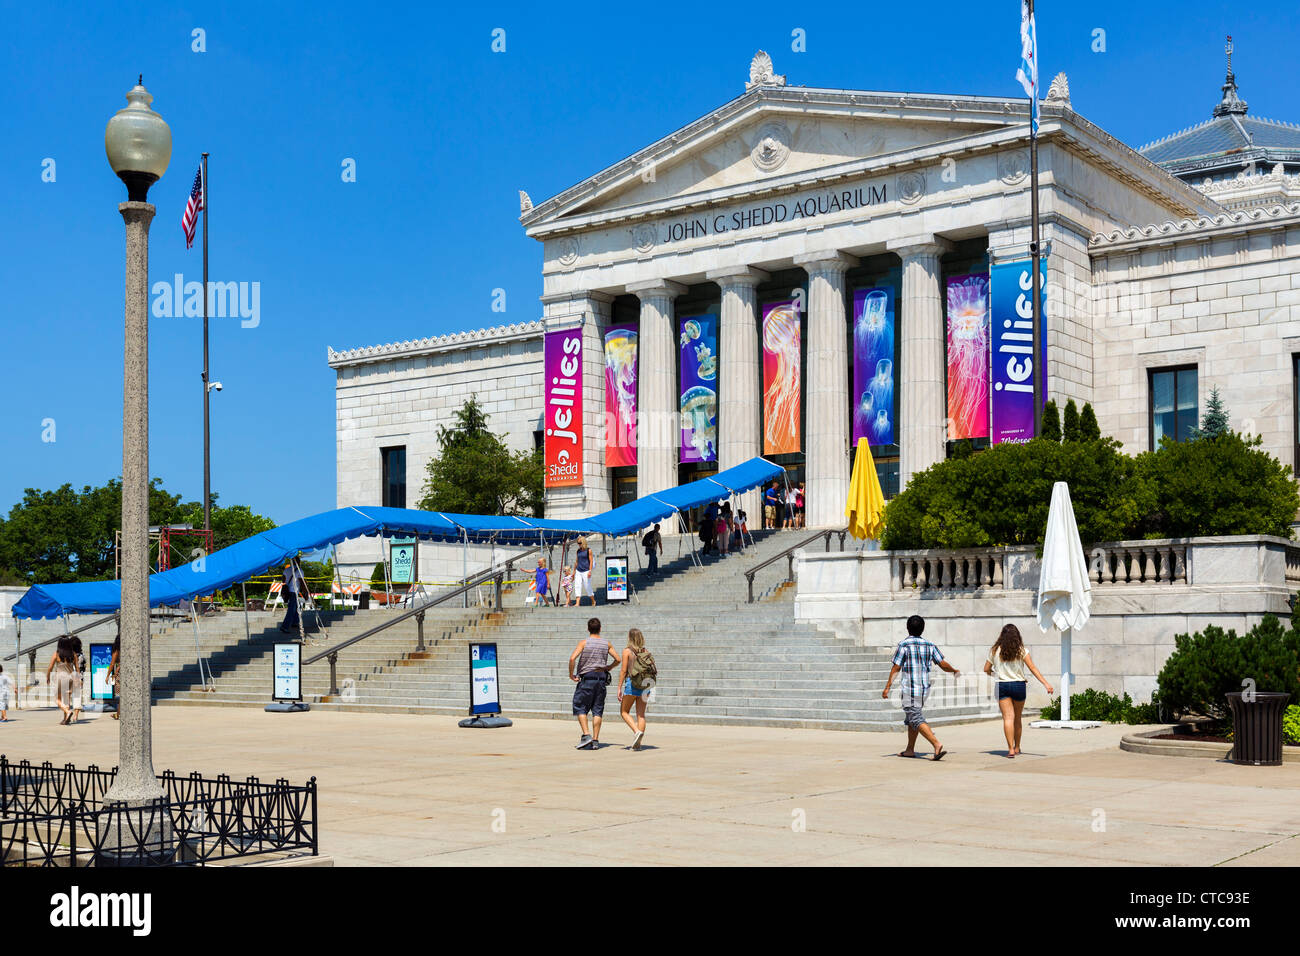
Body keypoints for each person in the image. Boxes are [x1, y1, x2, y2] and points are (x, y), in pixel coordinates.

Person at [881, 615, 960, 760]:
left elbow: (896, 667)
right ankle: (910, 749)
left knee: (915, 717)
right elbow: (942, 664)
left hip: (910, 689)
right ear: (923, 629)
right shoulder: (929, 645)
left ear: (907, 628)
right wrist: (954, 670)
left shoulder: (904, 645)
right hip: (924, 689)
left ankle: (936, 744)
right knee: (912, 718)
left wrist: (887, 687)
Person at [983, 623, 1054, 758]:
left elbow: (986, 669)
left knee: (1008, 718)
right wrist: (1046, 684)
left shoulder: (994, 651)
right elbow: (1032, 668)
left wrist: (995, 674)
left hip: (1002, 686)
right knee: (1017, 718)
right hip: (1018, 686)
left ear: (1002, 636)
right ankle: (1017, 747)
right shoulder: (1022, 651)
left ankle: (1010, 750)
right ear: (1017, 636)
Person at [569, 617, 619, 749]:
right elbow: (618, 659)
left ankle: (586, 735)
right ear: (600, 629)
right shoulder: (606, 644)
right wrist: (609, 667)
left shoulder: (584, 643)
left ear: (588, 629)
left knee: (580, 707)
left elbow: (572, 658)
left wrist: (571, 674)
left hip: (587, 679)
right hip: (601, 680)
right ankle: (596, 740)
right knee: (597, 710)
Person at [617, 627, 656, 750]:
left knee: (624, 712)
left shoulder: (627, 651)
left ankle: (636, 731)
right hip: (646, 685)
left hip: (632, 683)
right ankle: (638, 743)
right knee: (641, 715)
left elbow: (623, 671)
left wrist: (619, 687)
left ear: (630, 638)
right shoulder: (646, 651)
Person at [45, 638, 79, 726]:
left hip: (60, 677)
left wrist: (48, 676)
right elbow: (77, 669)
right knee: (66, 699)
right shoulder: (73, 654)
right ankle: (65, 719)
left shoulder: (57, 654)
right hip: (71, 678)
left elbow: (50, 666)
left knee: (57, 699)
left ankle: (67, 712)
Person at [573, 538, 596, 607]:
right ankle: (577, 603)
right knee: (577, 586)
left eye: (580, 543)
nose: (578, 544)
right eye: (578, 543)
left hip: (586, 570)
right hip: (578, 570)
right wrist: (574, 572)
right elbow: (576, 561)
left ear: (583, 542)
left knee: (587, 586)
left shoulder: (589, 550)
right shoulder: (578, 551)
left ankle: (593, 600)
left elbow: (591, 561)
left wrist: (590, 571)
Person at [279, 560, 301, 634]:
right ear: (298, 562)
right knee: (291, 609)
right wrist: (305, 592)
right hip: (294, 591)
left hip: (288, 591)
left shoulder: (286, 570)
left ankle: (295, 622)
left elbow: (283, 580)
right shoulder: (299, 570)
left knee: (297, 606)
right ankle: (285, 626)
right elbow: (302, 582)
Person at [108, 634, 121, 720]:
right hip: (124, 672)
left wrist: (107, 675)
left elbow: (112, 663)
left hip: (120, 675)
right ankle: (118, 713)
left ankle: (118, 714)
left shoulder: (116, 650)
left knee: (121, 696)